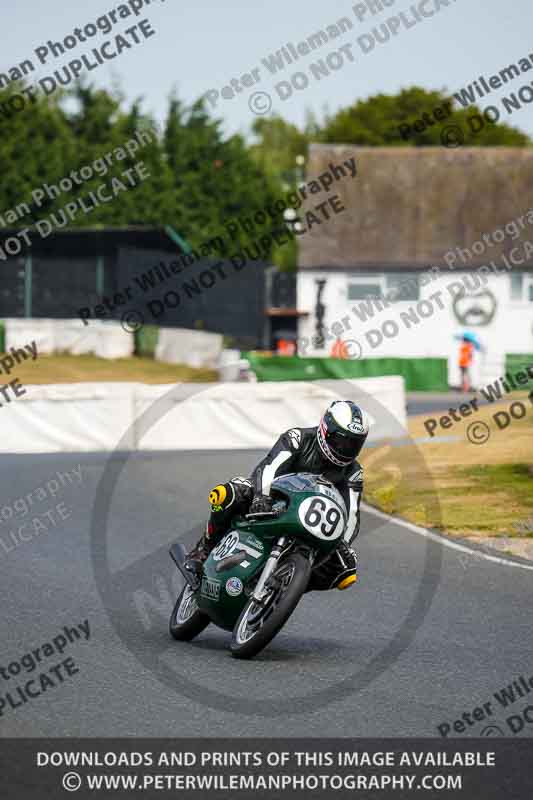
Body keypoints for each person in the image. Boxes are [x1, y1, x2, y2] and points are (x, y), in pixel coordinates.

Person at [186, 400, 369, 591]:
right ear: (326, 430)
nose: (345, 449)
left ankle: (284, 588)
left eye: (354, 444)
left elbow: (352, 514)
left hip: (310, 522)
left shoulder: (353, 471)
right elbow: (269, 467)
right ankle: (203, 550)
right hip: (272, 502)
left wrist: (344, 543)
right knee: (231, 491)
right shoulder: (298, 438)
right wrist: (261, 497)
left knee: (346, 568)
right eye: (341, 441)